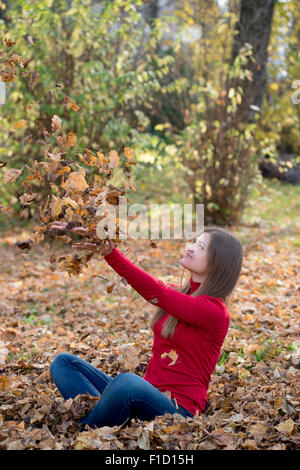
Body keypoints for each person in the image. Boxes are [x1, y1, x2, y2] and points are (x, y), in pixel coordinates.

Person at [49, 224, 243, 429]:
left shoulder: (214, 311)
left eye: (201, 247)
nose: (190, 247)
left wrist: (110, 253)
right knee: (64, 363)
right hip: (145, 395)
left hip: (177, 409)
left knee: (126, 383)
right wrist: (94, 236)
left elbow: (155, 291)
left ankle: (87, 428)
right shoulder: (182, 296)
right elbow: (155, 287)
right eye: (194, 242)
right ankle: (101, 419)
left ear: (218, 264)